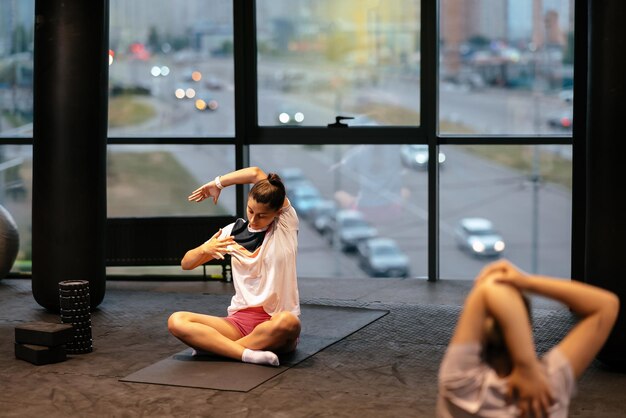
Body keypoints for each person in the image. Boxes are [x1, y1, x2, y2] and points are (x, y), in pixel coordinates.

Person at [437, 259, 619, 418]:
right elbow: (607, 305)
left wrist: (527, 367)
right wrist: (525, 281)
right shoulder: (549, 386)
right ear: (527, 327)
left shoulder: (461, 384)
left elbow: (492, 287)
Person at [168, 167, 301, 367]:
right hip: (238, 323)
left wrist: (218, 183)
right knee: (176, 320)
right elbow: (186, 263)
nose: (254, 220)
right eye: (250, 211)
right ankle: (246, 354)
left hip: (273, 324)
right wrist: (206, 249)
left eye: (262, 215)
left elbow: (256, 173)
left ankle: (218, 348)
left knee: (289, 323)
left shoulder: (285, 224)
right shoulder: (233, 232)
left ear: (277, 212)